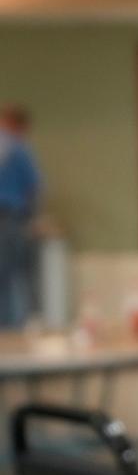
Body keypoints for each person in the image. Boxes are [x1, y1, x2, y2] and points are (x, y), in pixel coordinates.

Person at [0, 105, 41, 328]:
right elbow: (34, 186)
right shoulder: (17, 148)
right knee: (15, 279)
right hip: (10, 220)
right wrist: (31, 218)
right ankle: (13, 333)